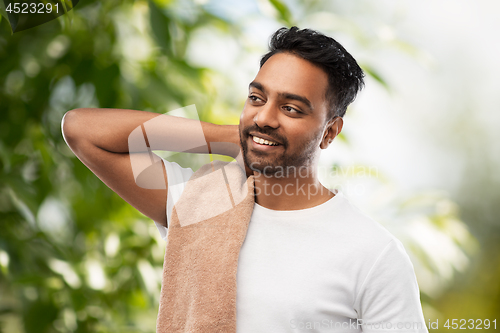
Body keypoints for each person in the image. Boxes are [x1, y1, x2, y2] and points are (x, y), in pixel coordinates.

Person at [62, 27, 428, 332]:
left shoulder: (374, 254)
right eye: (256, 98)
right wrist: (228, 136)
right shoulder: (199, 205)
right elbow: (82, 129)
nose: (265, 117)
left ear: (330, 133)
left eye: (290, 108)